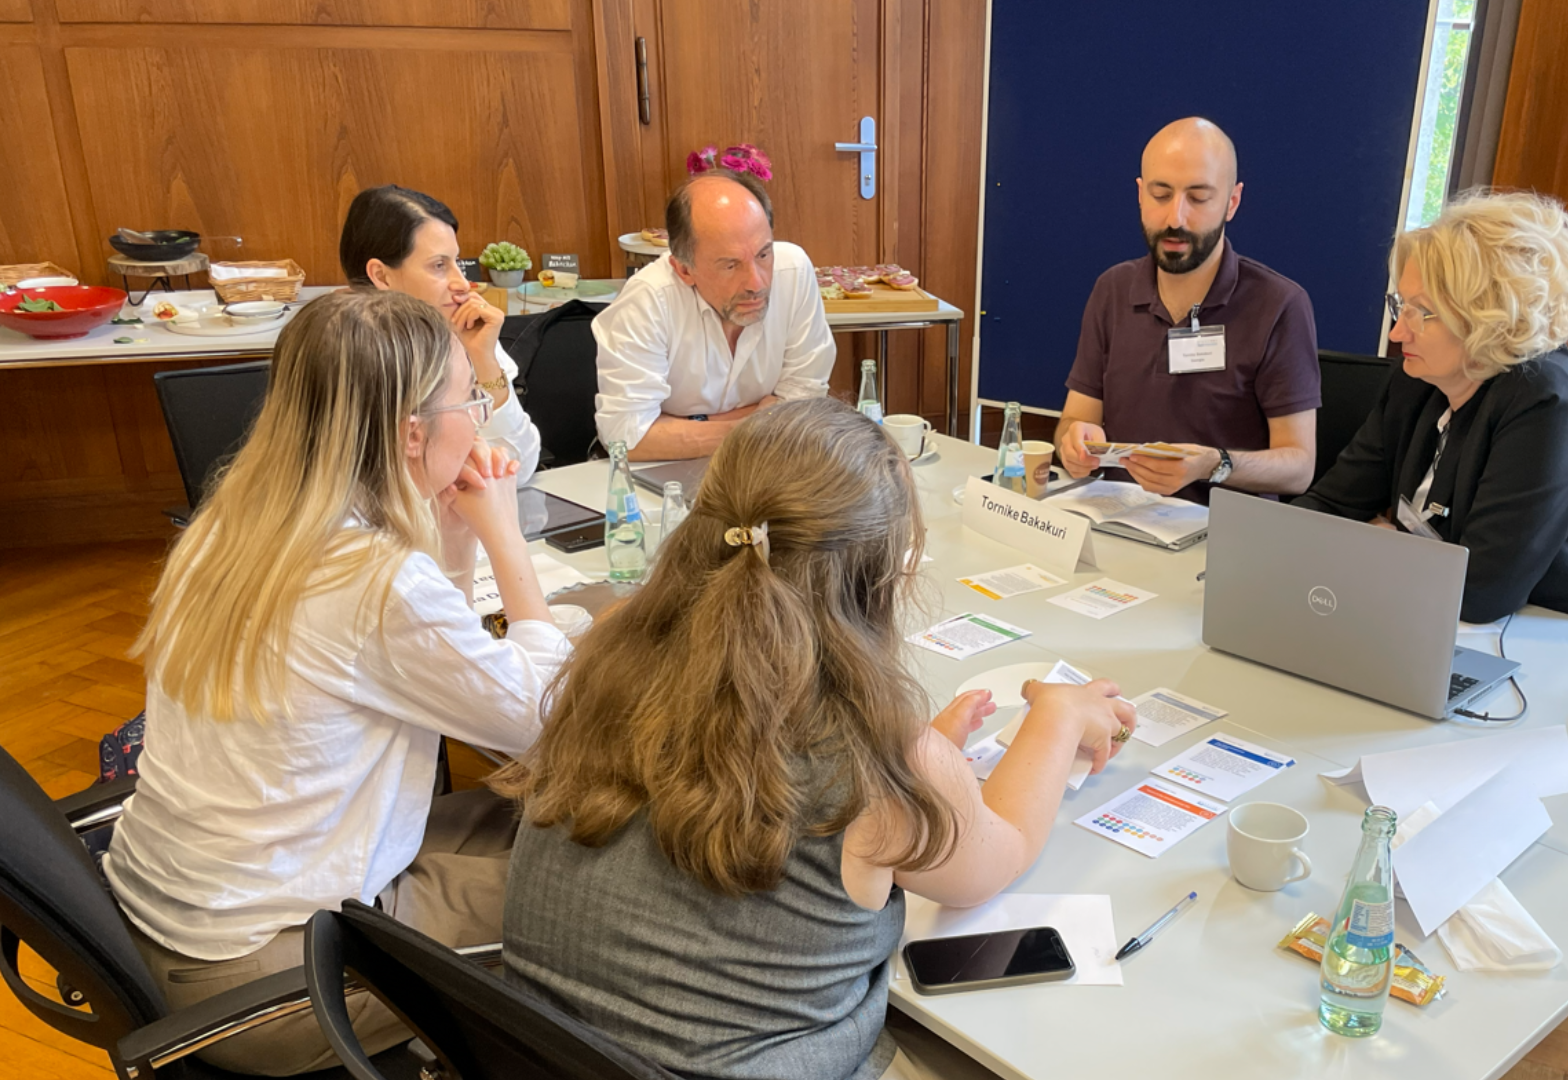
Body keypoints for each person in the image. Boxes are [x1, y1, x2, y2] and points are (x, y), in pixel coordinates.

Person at [496, 398, 1136, 1080]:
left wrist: (928, 764)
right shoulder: (875, 755)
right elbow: (992, 863)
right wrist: (1057, 716)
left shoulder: (614, 646)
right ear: (881, 573)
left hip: (543, 1052)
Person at [103, 290, 571, 1075]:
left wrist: (452, 531)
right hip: (276, 982)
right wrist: (502, 535)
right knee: (607, 893)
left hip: (181, 925)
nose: (481, 414)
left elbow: (431, 668)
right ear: (410, 432)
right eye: (472, 397)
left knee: (546, 816)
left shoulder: (237, 522)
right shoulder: (369, 583)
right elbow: (543, 721)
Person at [1293, 191, 1568, 647]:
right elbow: (1330, 506)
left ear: (1487, 317)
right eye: (1400, 305)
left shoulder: (1547, 403)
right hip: (1452, 625)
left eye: (1421, 312)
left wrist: (1381, 541)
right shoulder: (1417, 377)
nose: (1397, 331)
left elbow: (1479, 591)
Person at [1054, 117, 1320, 501]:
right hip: (1120, 520)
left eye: (1198, 198)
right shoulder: (1112, 289)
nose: (1175, 219)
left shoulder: (1280, 305)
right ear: (1140, 194)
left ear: (1232, 202)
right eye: (1161, 195)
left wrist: (1215, 464)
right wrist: (1072, 443)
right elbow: (1074, 419)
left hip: (1224, 538)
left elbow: (1298, 468)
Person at [591, 171, 836, 460]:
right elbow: (625, 437)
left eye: (763, 255)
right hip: (661, 474)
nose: (756, 284)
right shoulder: (647, 300)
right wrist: (757, 421)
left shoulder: (793, 271)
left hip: (769, 466)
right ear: (684, 269)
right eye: (730, 265)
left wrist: (687, 427)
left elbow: (802, 404)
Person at [340, 184, 543, 485]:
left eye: (457, 263)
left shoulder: (460, 330)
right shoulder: (341, 353)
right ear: (381, 276)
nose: (462, 283)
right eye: (439, 266)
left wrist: (484, 359)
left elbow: (518, 468)